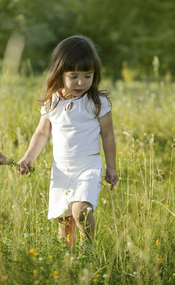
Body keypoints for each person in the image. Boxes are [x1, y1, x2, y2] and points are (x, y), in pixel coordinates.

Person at [19, 35, 118, 248]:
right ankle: (69, 263)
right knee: (65, 224)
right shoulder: (53, 101)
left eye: (87, 76)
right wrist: (28, 158)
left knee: (81, 210)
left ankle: (90, 247)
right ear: (60, 73)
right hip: (61, 170)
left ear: (95, 75)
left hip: (88, 166)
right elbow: (41, 133)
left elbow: (108, 134)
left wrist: (111, 167)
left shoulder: (97, 102)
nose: (81, 82)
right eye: (73, 76)